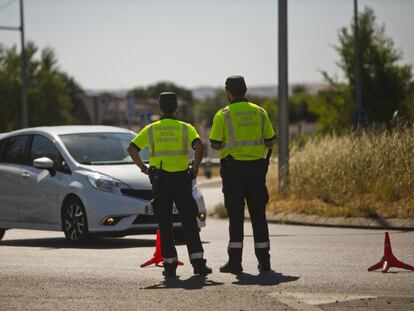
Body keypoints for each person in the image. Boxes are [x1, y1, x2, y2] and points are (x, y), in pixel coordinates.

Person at [127, 92, 212, 278]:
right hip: (182, 179)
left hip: (160, 181)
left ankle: (170, 266)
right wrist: (195, 169)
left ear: (159, 107)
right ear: (176, 107)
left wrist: (145, 169)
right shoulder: (185, 128)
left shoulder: (151, 129)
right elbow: (199, 147)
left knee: (165, 224)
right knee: (189, 222)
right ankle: (198, 264)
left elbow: (131, 149)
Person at [209, 76, 275, 274]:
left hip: (233, 171)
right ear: (245, 90)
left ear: (228, 92)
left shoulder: (223, 114)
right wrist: (262, 160)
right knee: (258, 216)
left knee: (236, 217)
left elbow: (214, 143)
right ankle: (264, 263)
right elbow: (270, 141)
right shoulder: (260, 112)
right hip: (256, 170)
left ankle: (235, 263)